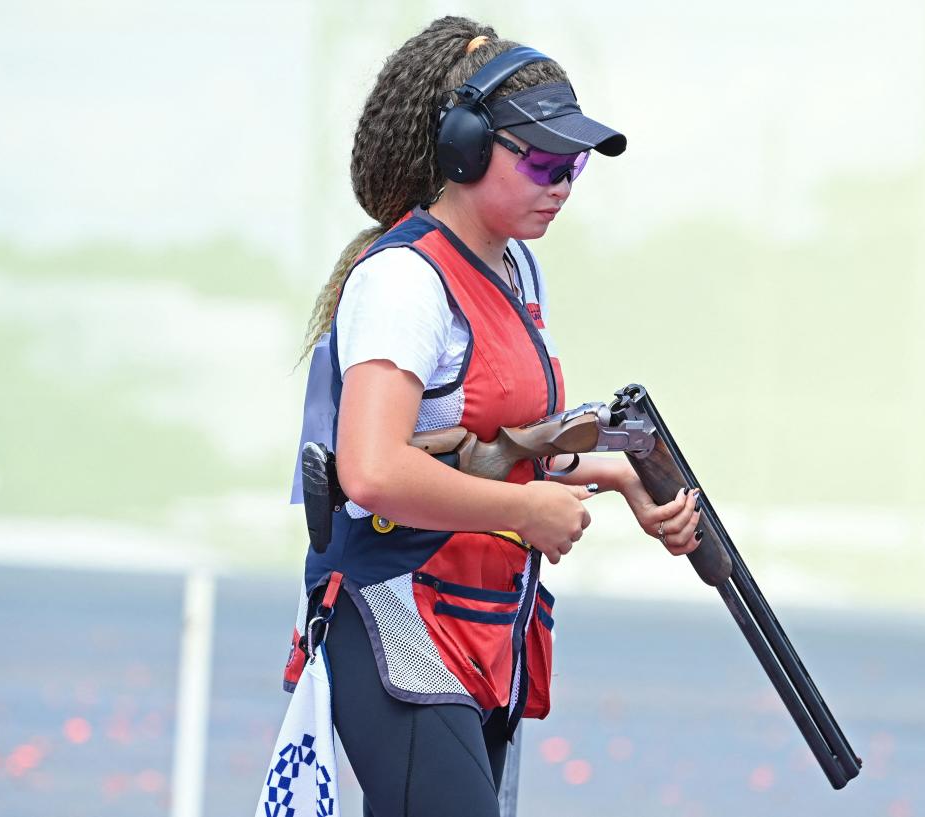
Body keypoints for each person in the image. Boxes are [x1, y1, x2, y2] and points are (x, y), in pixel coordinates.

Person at [283, 16, 702, 817]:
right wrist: (525, 509)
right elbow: (370, 469)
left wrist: (613, 473)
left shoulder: (514, 266)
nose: (562, 183)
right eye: (542, 159)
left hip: (478, 628)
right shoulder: (407, 280)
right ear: (466, 149)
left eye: (573, 164)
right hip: (398, 618)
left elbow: (490, 449)